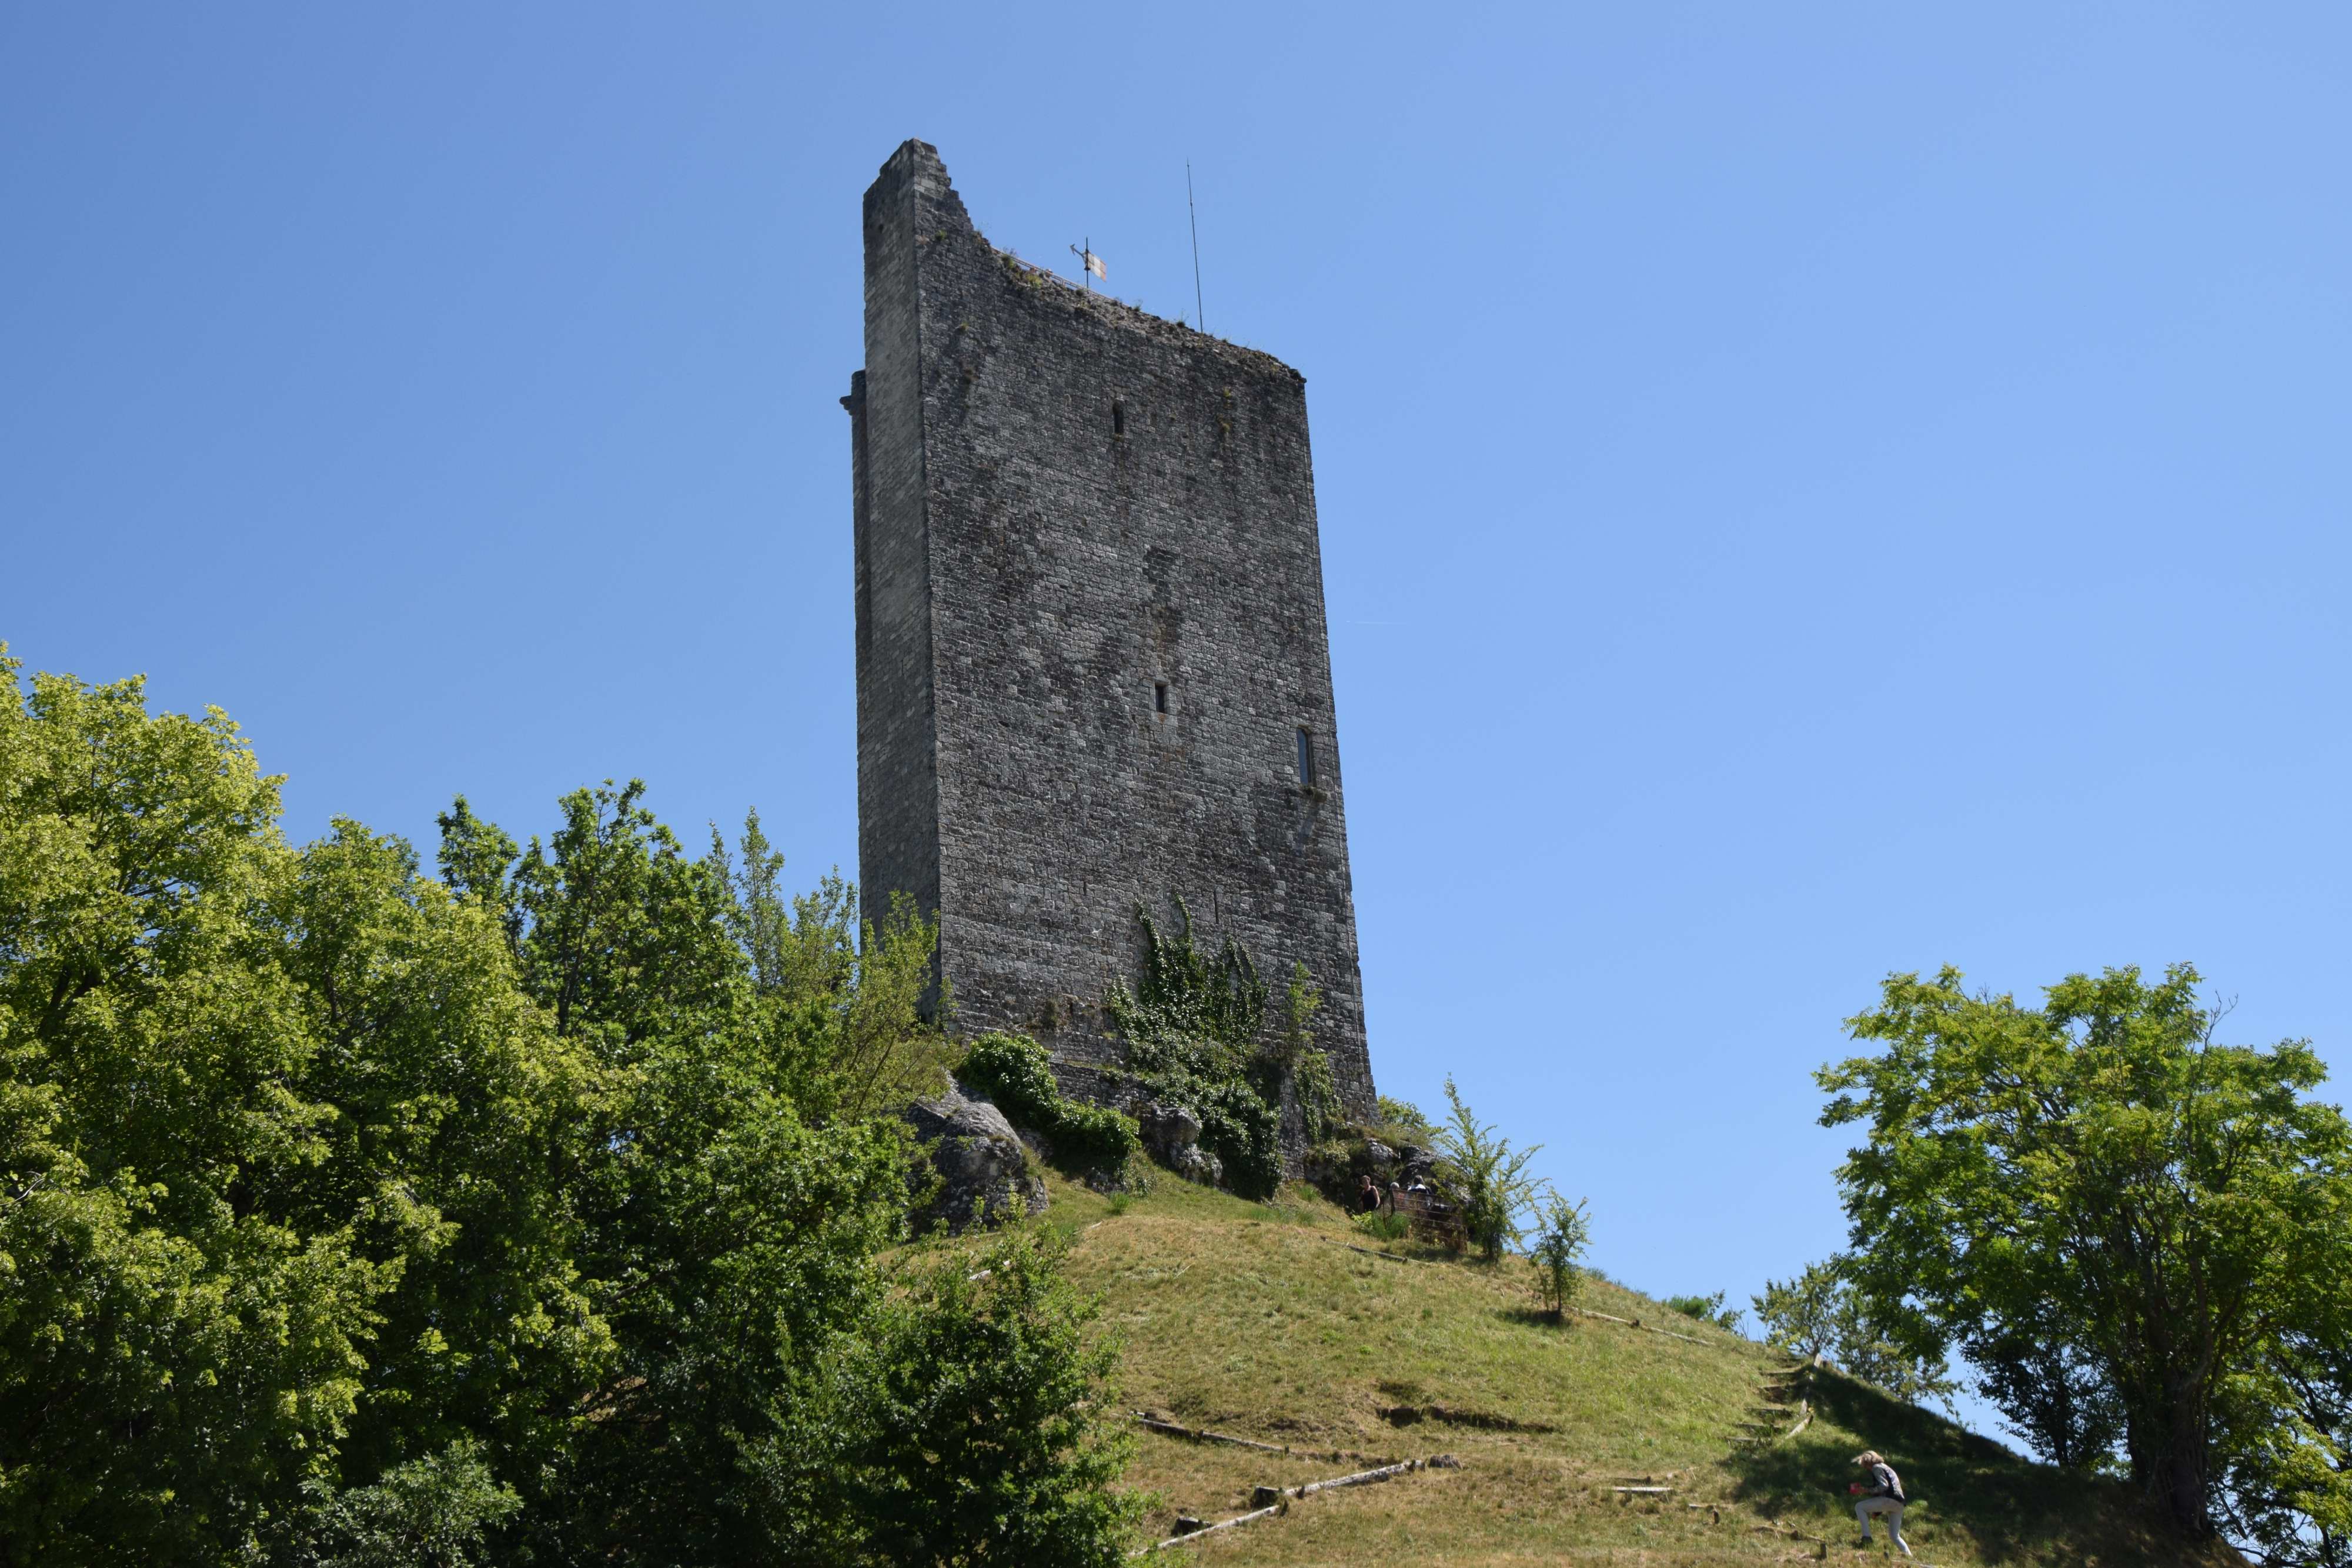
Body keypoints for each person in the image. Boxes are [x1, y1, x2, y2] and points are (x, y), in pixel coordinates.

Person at [1848, 1450, 1912, 1556]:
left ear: (1868, 1463)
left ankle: (1867, 1538)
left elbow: (1884, 1487)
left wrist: (1865, 1490)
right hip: (1899, 1503)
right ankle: (1910, 1557)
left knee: (1859, 1507)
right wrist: (1877, 1512)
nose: (1867, 1469)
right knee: (1895, 1536)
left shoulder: (1876, 1468)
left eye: (1865, 1466)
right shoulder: (1886, 1468)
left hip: (1889, 1499)